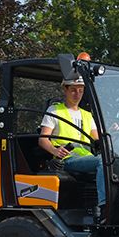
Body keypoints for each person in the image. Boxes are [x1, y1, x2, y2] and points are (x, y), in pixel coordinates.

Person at [38, 75, 105, 212]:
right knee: (102, 162)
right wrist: (55, 150)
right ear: (65, 90)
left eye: (80, 91)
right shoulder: (55, 111)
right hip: (68, 159)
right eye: (73, 90)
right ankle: (105, 205)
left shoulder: (87, 115)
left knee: (114, 161)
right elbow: (43, 139)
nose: (77, 94)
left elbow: (98, 139)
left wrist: (112, 133)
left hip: (85, 157)